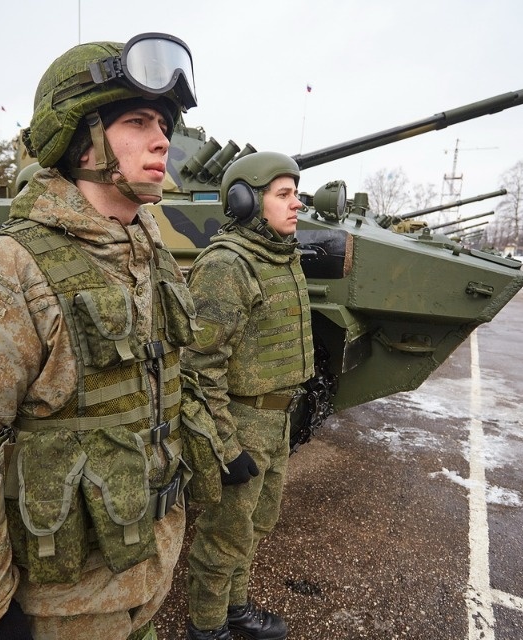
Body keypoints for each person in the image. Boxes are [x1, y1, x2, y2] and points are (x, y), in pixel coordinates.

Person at [0, 33, 211, 640]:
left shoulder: (152, 252)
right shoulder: (8, 269)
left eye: (165, 124)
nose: (161, 140)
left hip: (146, 571)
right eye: (139, 121)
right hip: (65, 609)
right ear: (81, 138)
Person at [183, 152, 315, 640]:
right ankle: (208, 627)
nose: (297, 203)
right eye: (284, 195)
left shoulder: (280, 255)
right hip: (239, 423)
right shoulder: (227, 266)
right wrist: (225, 445)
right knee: (223, 536)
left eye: (295, 193)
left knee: (256, 526)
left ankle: (235, 608)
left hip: (275, 422)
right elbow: (198, 369)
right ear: (244, 201)